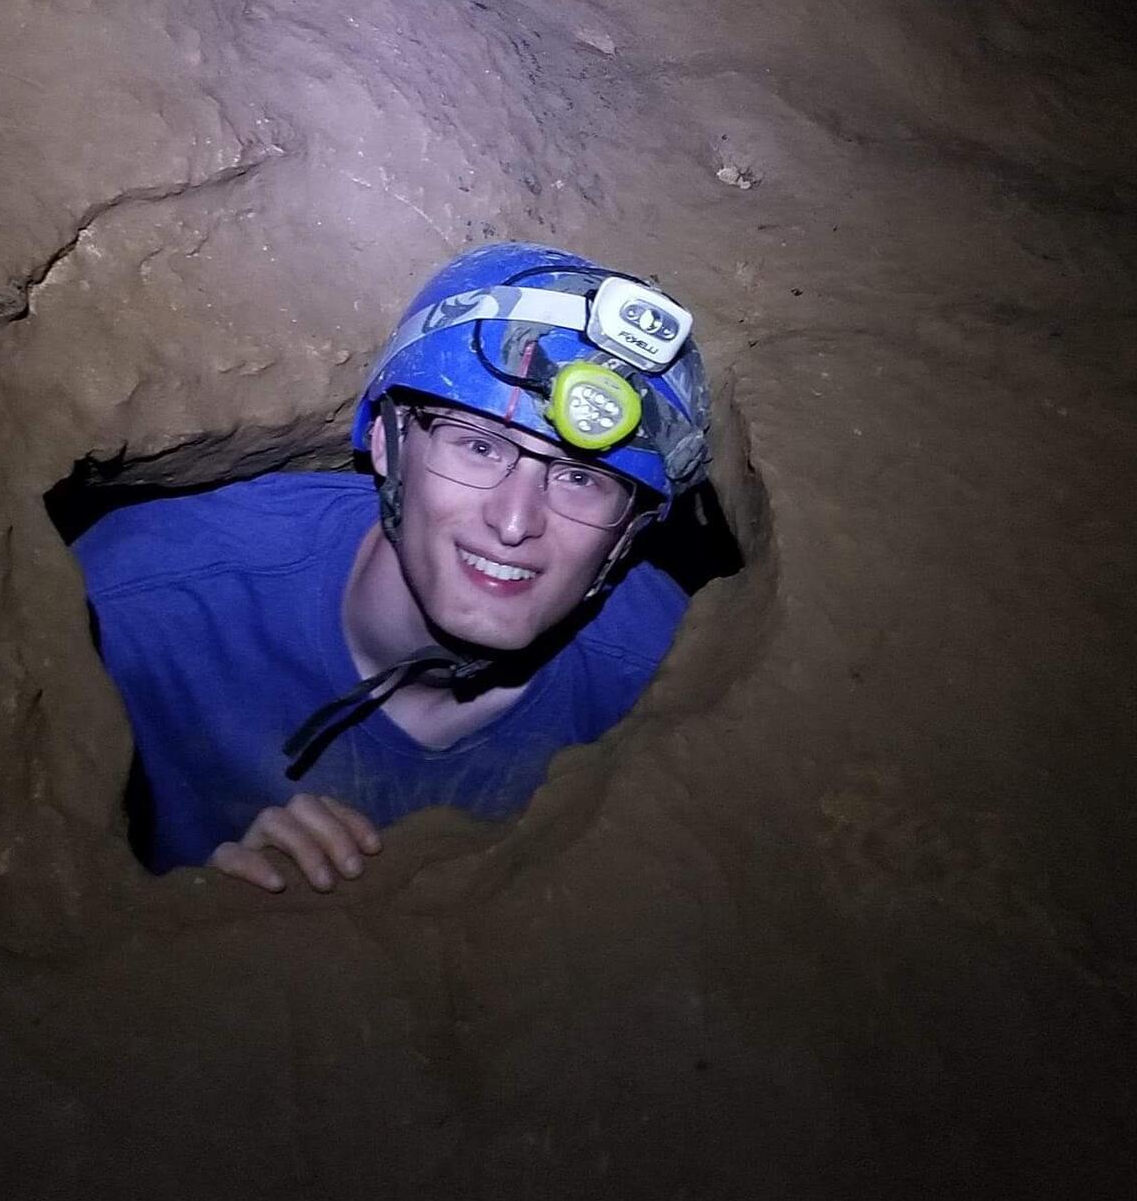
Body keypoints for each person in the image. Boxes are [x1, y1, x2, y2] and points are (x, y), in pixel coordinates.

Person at [74, 241, 711, 892]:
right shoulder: (133, 604)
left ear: (629, 531)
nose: (515, 521)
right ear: (386, 441)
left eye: (581, 478)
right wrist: (191, 916)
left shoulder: (674, 683)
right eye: (478, 445)